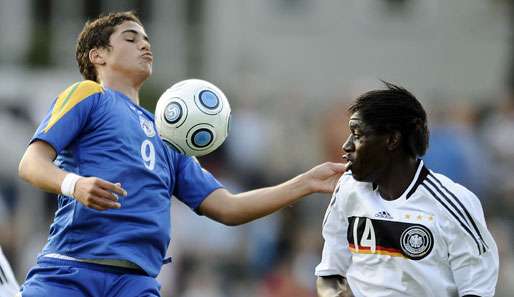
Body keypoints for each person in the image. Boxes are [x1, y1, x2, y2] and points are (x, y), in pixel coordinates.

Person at [16, 11, 345, 297]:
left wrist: (306, 183)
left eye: (146, 39)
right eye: (130, 38)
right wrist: (75, 184)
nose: (145, 45)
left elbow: (227, 207)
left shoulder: (168, 135)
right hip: (72, 270)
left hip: (136, 283)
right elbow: (31, 163)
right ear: (97, 55)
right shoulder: (90, 95)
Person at [315, 82, 499, 297]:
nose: (346, 146)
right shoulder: (348, 189)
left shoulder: (453, 203)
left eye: (357, 135)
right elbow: (329, 274)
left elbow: (477, 290)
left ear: (392, 140)